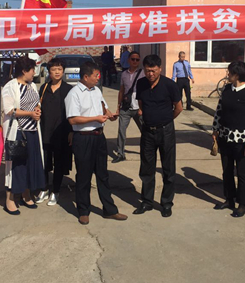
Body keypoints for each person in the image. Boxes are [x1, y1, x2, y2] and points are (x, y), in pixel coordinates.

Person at [65, 61, 127, 225]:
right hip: (83, 138)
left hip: (99, 137)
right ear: (86, 77)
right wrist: (95, 118)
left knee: (103, 175)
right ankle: (83, 210)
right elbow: (73, 119)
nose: (98, 78)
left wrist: (110, 115)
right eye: (95, 75)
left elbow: (103, 108)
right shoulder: (74, 94)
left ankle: (109, 210)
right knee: (84, 176)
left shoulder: (96, 91)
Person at [134, 54, 182, 218]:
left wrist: (166, 120)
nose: (150, 74)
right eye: (147, 70)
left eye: (153, 70)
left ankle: (166, 203)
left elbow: (178, 107)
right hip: (147, 131)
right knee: (147, 168)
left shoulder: (170, 85)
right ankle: (147, 201)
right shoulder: (141, 84)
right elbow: (141, 103)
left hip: (166, 131)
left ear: (160, 69)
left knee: (168, 168)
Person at [212, 61, 245, 218]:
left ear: (237, 75)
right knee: (227, 170)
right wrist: (215, 130)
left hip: (242, 141)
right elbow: (219, 111)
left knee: (242, 172)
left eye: (230, 72)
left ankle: (243, 204)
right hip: (225, 137)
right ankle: (229, 199)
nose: (227, 74)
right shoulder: (226, 89)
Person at [2, 56, 46, 215]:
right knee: (16, 166)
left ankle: (26, 194)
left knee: (31, 164)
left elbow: (36, 102)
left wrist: (37, 109)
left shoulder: (32, 85)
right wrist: (30, 114)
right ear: (24, 71)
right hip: (17, 132)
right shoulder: (10, 86)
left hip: (32, 131)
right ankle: (10, 199)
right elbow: (9, 110)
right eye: (32, 70)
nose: (34, 72)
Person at [38, 58, 73, 206]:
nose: (57, 72)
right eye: (53, 69)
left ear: (63, 71)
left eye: (59, 69)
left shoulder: (69, 89)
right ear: (49, 72)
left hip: (62, 132)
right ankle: (44, 188)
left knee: (59, 162)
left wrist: (71, 131)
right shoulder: (44, 88)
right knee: (44, 162)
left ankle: (56, 191)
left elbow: (72, 112)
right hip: (45, 130)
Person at [112, 51, 144, 163]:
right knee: (121, 131)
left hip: (139, 108)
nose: (135, 61)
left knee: (145, 131)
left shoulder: (142, 73)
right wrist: (118, 106)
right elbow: (121, 91)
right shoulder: (124, 74)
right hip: (126, 108)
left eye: (137, 59)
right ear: (129, 60)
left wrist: (143, 108)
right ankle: (121, 154)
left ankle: (146, 151)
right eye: (133, 59)